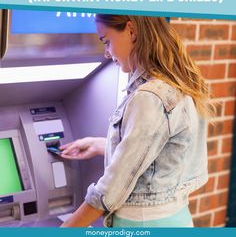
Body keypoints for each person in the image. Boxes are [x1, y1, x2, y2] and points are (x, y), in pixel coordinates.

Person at [60, 15, 215, 228]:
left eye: (106, 41)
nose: (107, 52)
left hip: (141, 224)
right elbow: (161, 153)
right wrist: (99, 145)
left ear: (131, 31)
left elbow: (109, 193)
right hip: (175, 218)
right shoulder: (181, 83)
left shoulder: (150, 96)